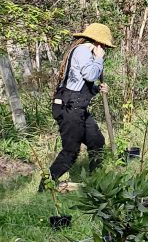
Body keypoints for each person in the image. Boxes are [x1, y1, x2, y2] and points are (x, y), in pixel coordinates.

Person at [45, 23, 114, 188]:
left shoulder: (84, 51)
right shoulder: (83, 50)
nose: (105, 48)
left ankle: (95, 182)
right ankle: (45, 186)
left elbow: (79, 82)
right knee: (71, 151)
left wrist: (98, 88)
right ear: (99, 42)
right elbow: (90, 75)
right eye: (104, 44)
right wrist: (99, 58)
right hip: (69, 107)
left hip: (77, 107)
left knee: (96, 141)